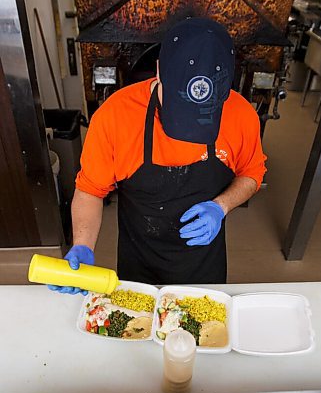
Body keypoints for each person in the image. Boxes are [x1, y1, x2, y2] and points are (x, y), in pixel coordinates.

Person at [48, 17, 266, 295]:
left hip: (204, 266)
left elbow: (252, 173)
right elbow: (90, 190)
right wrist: (82, 245)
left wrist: (220, 207)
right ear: (160, 70)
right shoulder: (115, 116)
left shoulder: (242, 115)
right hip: (139, 262)